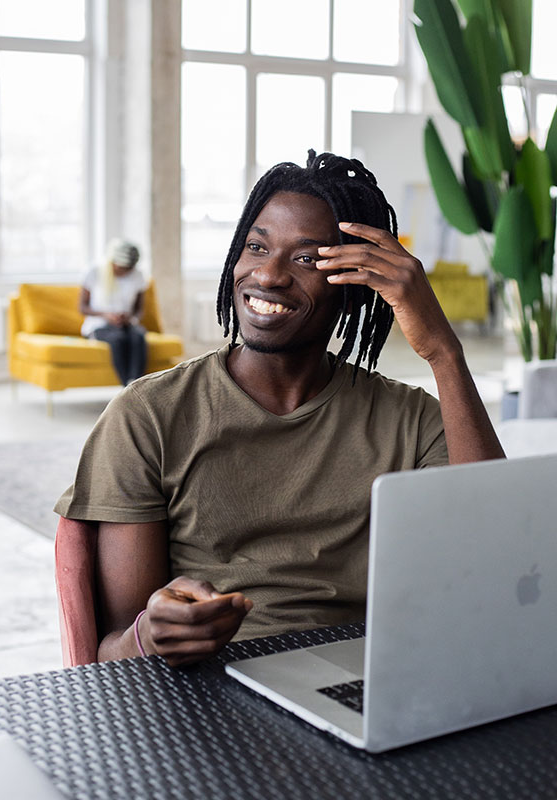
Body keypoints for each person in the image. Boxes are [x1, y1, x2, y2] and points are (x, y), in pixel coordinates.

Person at [56, 151, 505, 668]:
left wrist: (443, 353)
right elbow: (110, 656)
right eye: (256, 246)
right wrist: (151, 635)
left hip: (364, 678)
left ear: (358, 285)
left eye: (307, 258)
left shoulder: (412, 420)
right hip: (208, 688)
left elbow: (491, 555)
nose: (268, 276)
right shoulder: (148, 415)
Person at [79, 238, 147, 385]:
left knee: (138, 337)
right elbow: (82, 308)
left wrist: (130, 317)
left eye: (129, 268)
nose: (125, 271)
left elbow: (139, 310)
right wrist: (106, 315)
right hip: (99, 325)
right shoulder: (94, 272)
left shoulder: (138, 276)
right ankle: (127, 389)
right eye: (122, 267)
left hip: (126, 324)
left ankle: (136, 385)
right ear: (113, 262)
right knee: (118, 339)